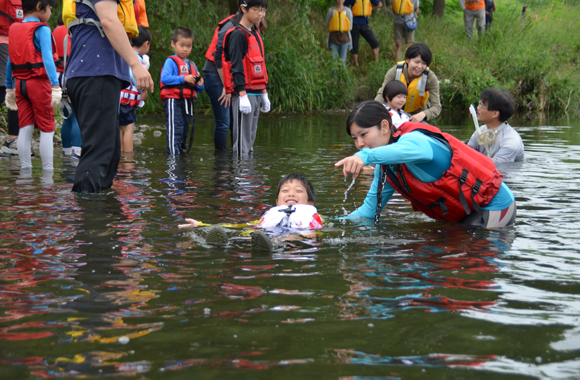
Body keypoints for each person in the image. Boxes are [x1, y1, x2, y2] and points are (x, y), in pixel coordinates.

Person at [335, 101, 517, 228]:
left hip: (494, 204)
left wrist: (363, 157)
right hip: (464, 213)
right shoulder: (386, 169)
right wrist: (328, 223)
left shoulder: (416, 141)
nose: (359, 144)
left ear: (384, 126)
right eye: (354, 139)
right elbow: (368, 211)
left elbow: (403, 151)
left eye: (363, 135)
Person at [65, 0, 154, 193]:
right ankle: (89, 215)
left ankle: (100, 214)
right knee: (98, 152)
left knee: (111, 153)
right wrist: (136, 64)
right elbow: (108, 20)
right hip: (95, 71)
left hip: (90, 72)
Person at [179, 173, 323, 250]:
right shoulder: (272, 214)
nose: (291, 194)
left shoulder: (313, 216)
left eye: (298, 191)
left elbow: (323, 231)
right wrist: (202, 225)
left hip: (295, 238)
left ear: (310, 203)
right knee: (248, 234)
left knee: (295, 238)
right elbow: (240, 225)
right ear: (277, 202)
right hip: (268, 234)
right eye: (285, 191)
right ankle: (226, 243)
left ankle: (271, 244)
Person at [5, 0, 60, 170]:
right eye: (50, 8)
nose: (50, 13)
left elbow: (9, 61)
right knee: (47, 127)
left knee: (25, 127)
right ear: (39, 6)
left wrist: (9, 87)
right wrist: (55, 85)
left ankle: (25, 172)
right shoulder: (42, 29)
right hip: (38, 85)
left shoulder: (13, 28)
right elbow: (48, 58)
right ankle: (48, 174)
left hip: (20, 84)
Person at [222, 0, 270, 157]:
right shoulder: (237, 34)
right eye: (256, 9)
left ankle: (249, 177)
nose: (260, 14)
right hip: (244, 95)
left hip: (256, 93)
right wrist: (242, 95)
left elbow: (260, 65)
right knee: (241, 144)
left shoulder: (255, 33)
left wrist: (264, 94)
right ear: (243, 9)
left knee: (250, 142)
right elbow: (236, 66)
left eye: (263, 10)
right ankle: (240, 178)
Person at [160, 27, 204, 156]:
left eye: (189, 46)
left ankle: (181, 160)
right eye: (182, 45)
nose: (185, 49)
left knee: (184, 131)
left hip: (187, 102)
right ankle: (173, 159)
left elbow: (199, 87)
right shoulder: (171, 62)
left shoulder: (192, 65)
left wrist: (200, 84)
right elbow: (165, 78)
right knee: (176, 129)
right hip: (174, 101)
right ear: (173, 44)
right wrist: (183, 78)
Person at [374, 43, 440, 123]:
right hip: (393, 113)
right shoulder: (394, 72)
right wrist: (374, 110)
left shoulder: (431, 78)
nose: (419, 67)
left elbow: (436, 107)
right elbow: (382, 94)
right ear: (407, 59)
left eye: (424, 63)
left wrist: (423, 114)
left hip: (416, 117)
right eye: (417, 62)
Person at [203, 11, 237, 151]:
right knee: (223, 122)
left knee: (234, 122)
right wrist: (226, 85)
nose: (261, 14)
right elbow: (219, 57)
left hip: (229, 77)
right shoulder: (230, 26)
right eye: (257, 10)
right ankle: (221, 164)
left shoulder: (250, 26)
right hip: (215, 74)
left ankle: (235, 161)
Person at [467, 88, 524, 163]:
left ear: (495, 114)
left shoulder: (510, 141)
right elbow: (467, 152)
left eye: (481, 106)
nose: (478, 108)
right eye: (479, 104)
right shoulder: (480, 131)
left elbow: (495, 167)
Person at [53, 13, 81, 158]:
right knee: (76, 115)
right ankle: (77, 151)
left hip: (58, 77)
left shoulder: (55, 31)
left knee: (66, 116)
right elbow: (72, 57)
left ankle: (66, 151)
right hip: (70, 75)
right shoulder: (71, 31)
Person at [119, 25, 150, 154]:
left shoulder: (122, 53)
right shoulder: (136, 59)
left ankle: (120, 158)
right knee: (128, 129)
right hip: (128, 101)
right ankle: (128, 159)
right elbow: (134, 76)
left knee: (120, 129)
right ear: (146, 44)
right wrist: (143, 90)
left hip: (118, 99)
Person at [0, 0, 23, 157]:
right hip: (5, 44)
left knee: (11, 90)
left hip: (16, 44)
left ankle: (13, 140)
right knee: (7, 90)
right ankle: (12, 140)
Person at [344, 0, 382, 67]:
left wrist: (370, 9)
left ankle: (376, 64)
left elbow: (379, 4)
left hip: (365, 24)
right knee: (354, 45)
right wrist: (349, 12)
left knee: (375, 42)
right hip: (354, 24)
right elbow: (343, 6)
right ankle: (356, 65)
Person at [325, 0, 353, 67]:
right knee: (333, 61)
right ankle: (333, 77)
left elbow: (350, 26)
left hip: (345, 39)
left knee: (342, 61)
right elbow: (327, 24)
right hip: (333, 39)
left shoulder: (348, 11)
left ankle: (341, 77)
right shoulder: (330, 11)